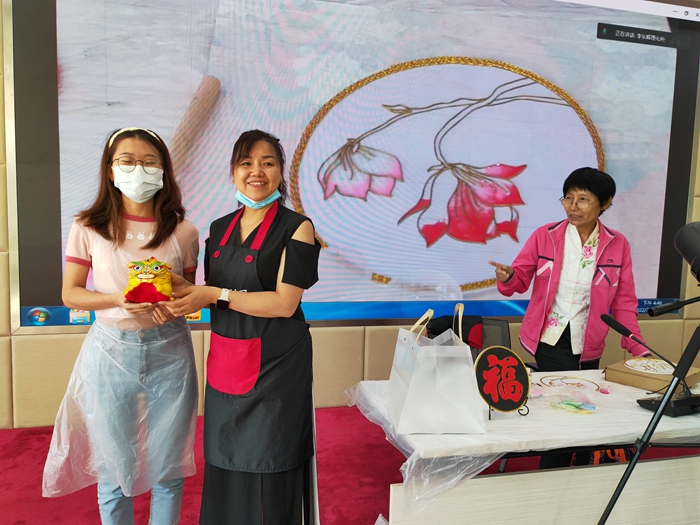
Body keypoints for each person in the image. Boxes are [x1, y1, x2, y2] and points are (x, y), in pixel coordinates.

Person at [162, 129, 321, 525]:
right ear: (233, 171)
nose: (256, 171)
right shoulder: (219, 228)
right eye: (246, 163)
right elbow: (213, 295)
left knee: (271, 461)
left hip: (276, 370)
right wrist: (176, 290)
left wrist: (214, 293)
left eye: (268, 163)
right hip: (228, 363)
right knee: (225, 461)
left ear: (281, 173)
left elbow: (284, 303)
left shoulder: (297, 227)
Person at [42, 127, 200, 525]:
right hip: (111, 351)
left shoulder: (184, 231)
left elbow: (189, 296)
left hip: (171, 352)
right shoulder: (88, 226)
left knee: (169, 469)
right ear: (110, 170)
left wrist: (175, 308)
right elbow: (71, 294)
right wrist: (115, 299)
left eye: (149, 162)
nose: (138, 170)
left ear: (163, 170)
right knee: (113, 468)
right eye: (127, 161)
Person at [489, 167, 649, 468]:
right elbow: (519, 280)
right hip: (549, 334)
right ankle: (553, 471)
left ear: (605, 203)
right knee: (565, 407)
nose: (573, 206)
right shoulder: (545, 236)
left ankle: (575, 468)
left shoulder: (617, 244)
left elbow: (624, 302)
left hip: (589, 339)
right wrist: (508, 277)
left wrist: (637, 346)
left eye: (583, 199)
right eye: (568, 198)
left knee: (582, 406)